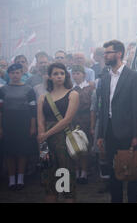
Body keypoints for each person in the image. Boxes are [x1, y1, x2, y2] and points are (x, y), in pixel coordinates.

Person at [97, 40, 137, 203]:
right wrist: (100, 134)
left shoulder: (134, 76)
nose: (105, 56)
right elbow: (102, 108)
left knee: (131, 171)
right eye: (104, 53)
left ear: (119, 54)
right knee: (112, 171)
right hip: (109, 130)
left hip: (127, 131)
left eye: (108, 52)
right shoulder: (104, 77)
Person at [37, 63, 79, 202]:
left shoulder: (73, 94)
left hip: (64, 141)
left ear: (66, 75)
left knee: (66, 181)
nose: (59, 76)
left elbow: (67, 120)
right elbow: (40, 121)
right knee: (49, 181)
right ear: (50, 77)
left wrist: (46, 134)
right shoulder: (43, 97)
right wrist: (43, 143)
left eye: (62, 73)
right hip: (47, 144)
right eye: (55, 73)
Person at [0, 64, 37, 190]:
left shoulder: (29, 89)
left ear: (22, 74)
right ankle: (11, 179)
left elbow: (33, 110)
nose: (15, 75)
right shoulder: (3, 89)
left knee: (22, 151)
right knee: (9, 152)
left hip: (24, 123)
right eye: (12, 73)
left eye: (17, 73)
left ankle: (20, 178)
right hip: (8, 123)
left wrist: (32, 127)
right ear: (8, 74)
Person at [71, 64, 94, 184]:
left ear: (84, 75)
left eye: (78, 73)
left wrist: (91, 125)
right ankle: (76, 170)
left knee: (85, 146)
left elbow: (92, 107)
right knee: (74, 146)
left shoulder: (89, 88)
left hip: (85, 118)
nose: (76, 76)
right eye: (74, 73)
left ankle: (84, 172)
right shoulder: (70, 88)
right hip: (73, 119)